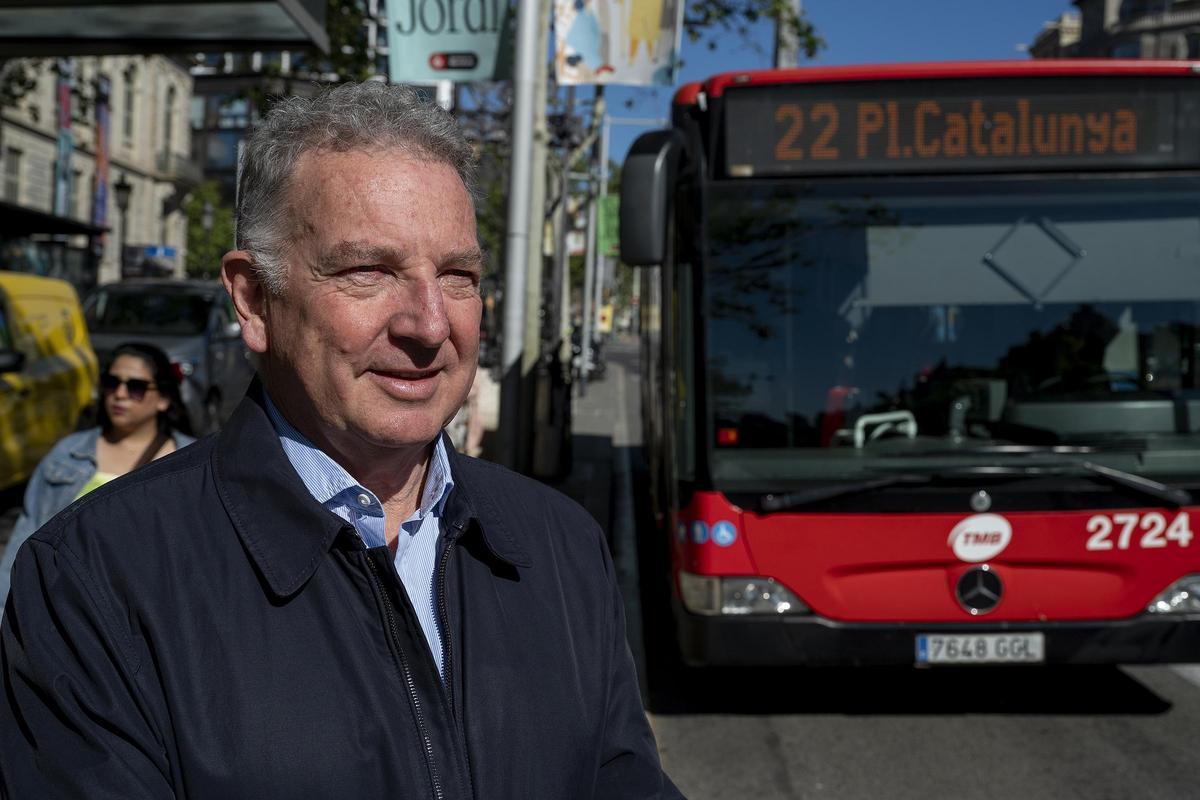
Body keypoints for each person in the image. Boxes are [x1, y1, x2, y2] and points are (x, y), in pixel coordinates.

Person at [0, 82, 682, 798]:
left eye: (457, 276)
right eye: (368, 271)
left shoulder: (559, 545)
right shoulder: (94, 577)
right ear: (255, 299)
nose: (427, 323)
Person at [0, 341, 194, 611]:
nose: (120, 394)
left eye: (135, 387)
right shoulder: (67, 455)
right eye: (112, 382)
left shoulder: (191, 463)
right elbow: (26, 539)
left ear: (163, 398)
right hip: (64, 611)